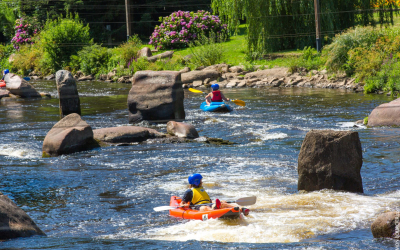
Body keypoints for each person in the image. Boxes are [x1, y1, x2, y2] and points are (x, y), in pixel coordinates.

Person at [180, 173, 250, 215]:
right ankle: (218, 213)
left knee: (223, 204)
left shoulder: (201, 190)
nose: (202, 182)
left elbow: (208, 200)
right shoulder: (189, 192)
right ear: (196, 182)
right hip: (198, 206)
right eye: (201, 181)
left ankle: (242, 209)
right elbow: (182, 203)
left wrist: (220, 202)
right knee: (205, 208)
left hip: (208, 203)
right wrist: (184, 205)